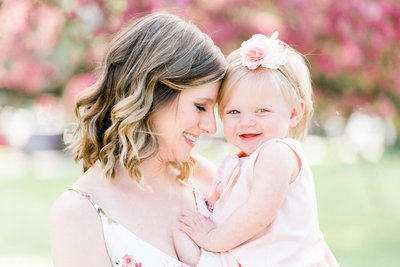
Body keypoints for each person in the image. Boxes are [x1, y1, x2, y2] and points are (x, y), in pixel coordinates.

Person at [49, 12, 227, 267]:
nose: (211, 126)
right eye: (200, 107)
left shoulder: (206, 180)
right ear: (152, 94)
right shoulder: (79, 212)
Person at [179, 32, 339, 266]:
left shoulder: (277, 153)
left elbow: (258, 214)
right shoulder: (237, 163)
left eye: (262, 111)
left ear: (294, 113)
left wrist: (212, 238)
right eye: (234, 112)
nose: (246, 122)